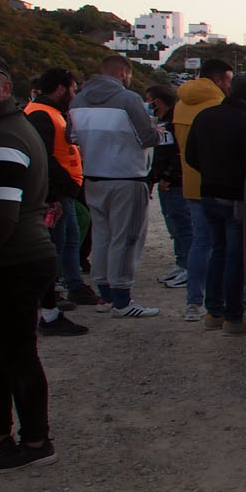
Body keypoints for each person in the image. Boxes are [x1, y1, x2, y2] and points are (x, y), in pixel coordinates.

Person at [0, 50, 59, 472]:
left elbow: (0, 214)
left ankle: (36, 442)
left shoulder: (6, 137)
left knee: (16, 354)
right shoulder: (3, 129)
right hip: (14, 256)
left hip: (13, 259)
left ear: (4, 87)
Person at [69, 54, 160, 317]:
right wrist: (156, 129)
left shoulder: (78, 99)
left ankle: (106, 296)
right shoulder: (129, 99)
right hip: (126, 177)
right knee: (126, 238)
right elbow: (147, 137)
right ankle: (122, 301)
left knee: (102, 237)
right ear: (123, 72)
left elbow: (71, 136)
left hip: (93, 177)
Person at [184, 71, 246, 335]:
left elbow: (190, 155)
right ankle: (233, 317)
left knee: (217, 252)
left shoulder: (204, 117)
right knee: (234, 258)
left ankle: (213, 313)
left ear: (229, 91)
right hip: (235, 198)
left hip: (208, 193)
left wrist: (209, 173)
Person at [25, 67, 99, 307]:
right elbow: (42, 157)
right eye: (72, 90)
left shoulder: (51, 112)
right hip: (56, 192)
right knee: (57, 242)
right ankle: (52, 292)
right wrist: (55, 192)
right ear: (60, 89)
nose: (74, 95)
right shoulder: (40, 114)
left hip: (65, 191)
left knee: (69, 239)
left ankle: (72, 285)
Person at [173, 59, 232, 322]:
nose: (230, 85)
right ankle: (217, 303)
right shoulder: (218, 106)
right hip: (217, 183)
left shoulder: (180, 104)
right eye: (228, 80)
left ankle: (192, 303)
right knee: (222, 246)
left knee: (199, 243)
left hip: (190, 181)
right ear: (218, 80)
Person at [146, 85, 191, 291]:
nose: (147, 104)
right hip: (166, 184)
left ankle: (189, 268)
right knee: (173, 225)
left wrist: (166, 177)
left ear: (158, 101)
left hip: (176, 183)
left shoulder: (174, 120)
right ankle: (181, 263)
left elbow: (178, 153)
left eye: (149, 100)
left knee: (182, 226)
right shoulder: (162, 121)